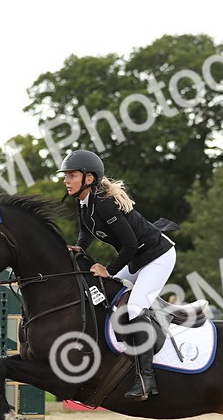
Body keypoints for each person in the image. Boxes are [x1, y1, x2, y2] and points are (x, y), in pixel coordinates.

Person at [59, 150, 176, 401]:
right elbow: (86, 231)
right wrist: (80, 248)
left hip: (158, 256)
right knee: (106, 294)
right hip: (137, 259)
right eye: (65, 176)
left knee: (133, 309)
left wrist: (109, 270)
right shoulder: (83, 201)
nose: (66, 180)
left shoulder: (104, 203)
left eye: (72, 175)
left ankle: (146, 379)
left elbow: (130, 244)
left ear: (89, 178)